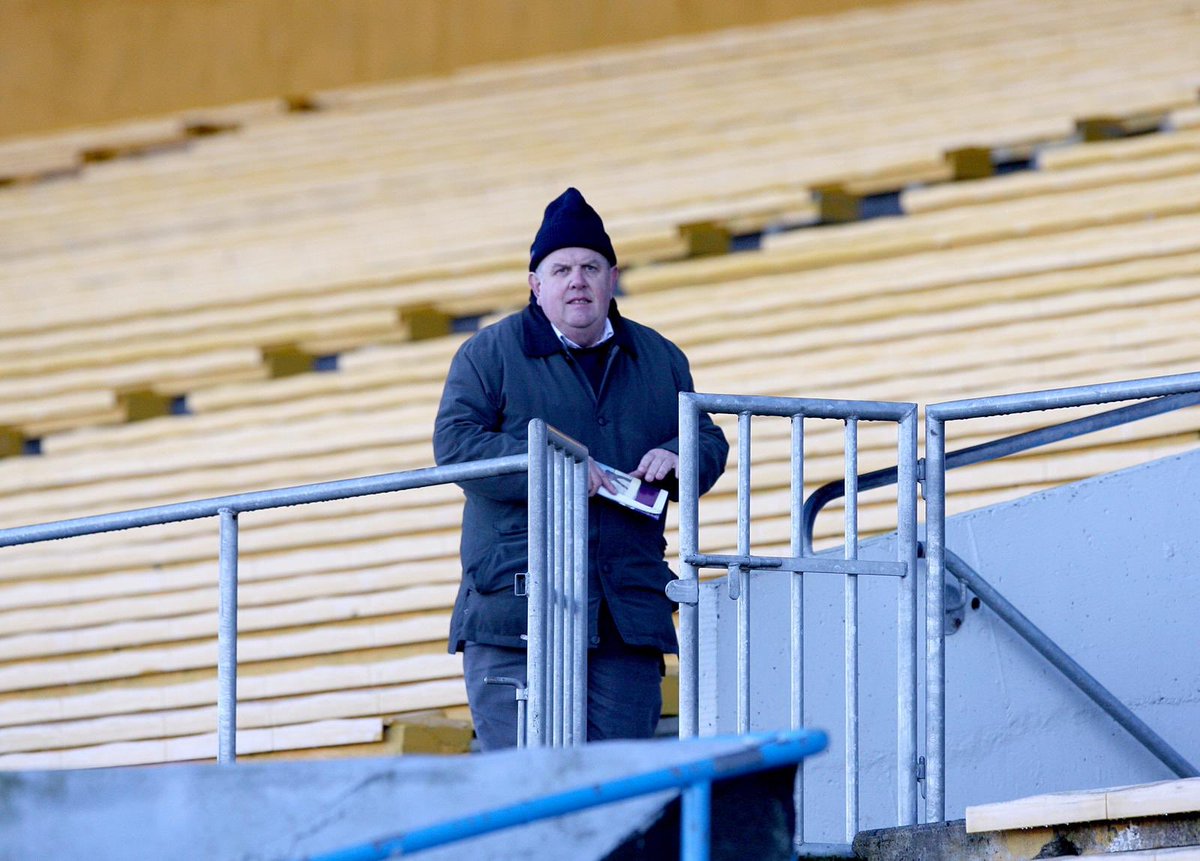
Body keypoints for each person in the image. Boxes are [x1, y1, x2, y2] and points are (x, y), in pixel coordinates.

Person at [433, 188, 728, 750]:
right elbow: (455, 444)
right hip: (517, 612)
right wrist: (554, 468)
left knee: (619, 794)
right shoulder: (488, 354)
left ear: (612, 278)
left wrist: (679, 454)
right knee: (528, 793)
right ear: (535, 283)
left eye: (590, 267)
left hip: (625, 616)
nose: (577, 280)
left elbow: (709, 439)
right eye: (561, 268)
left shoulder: (660, 357)